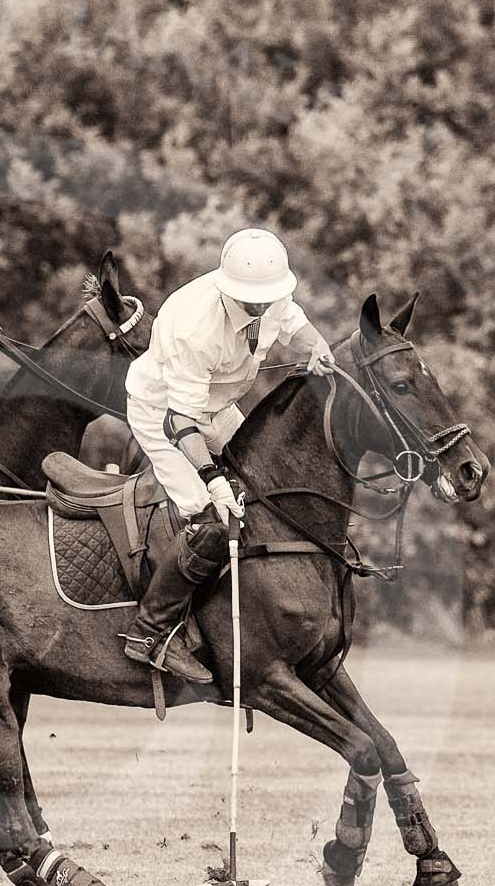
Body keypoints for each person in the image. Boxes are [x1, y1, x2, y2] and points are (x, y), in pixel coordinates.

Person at [119, 228, 339, 683]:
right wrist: (212, 478)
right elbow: (180, 421)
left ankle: (252, 621)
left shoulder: (271, 294)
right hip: (164, 414)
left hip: (216, 408)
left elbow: (296, 326)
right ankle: (152, 631)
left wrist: (317, 347)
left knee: (265, 496)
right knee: (210, 518)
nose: (261, 307)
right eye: (251, 301)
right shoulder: (194, 328)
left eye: (267, 299)